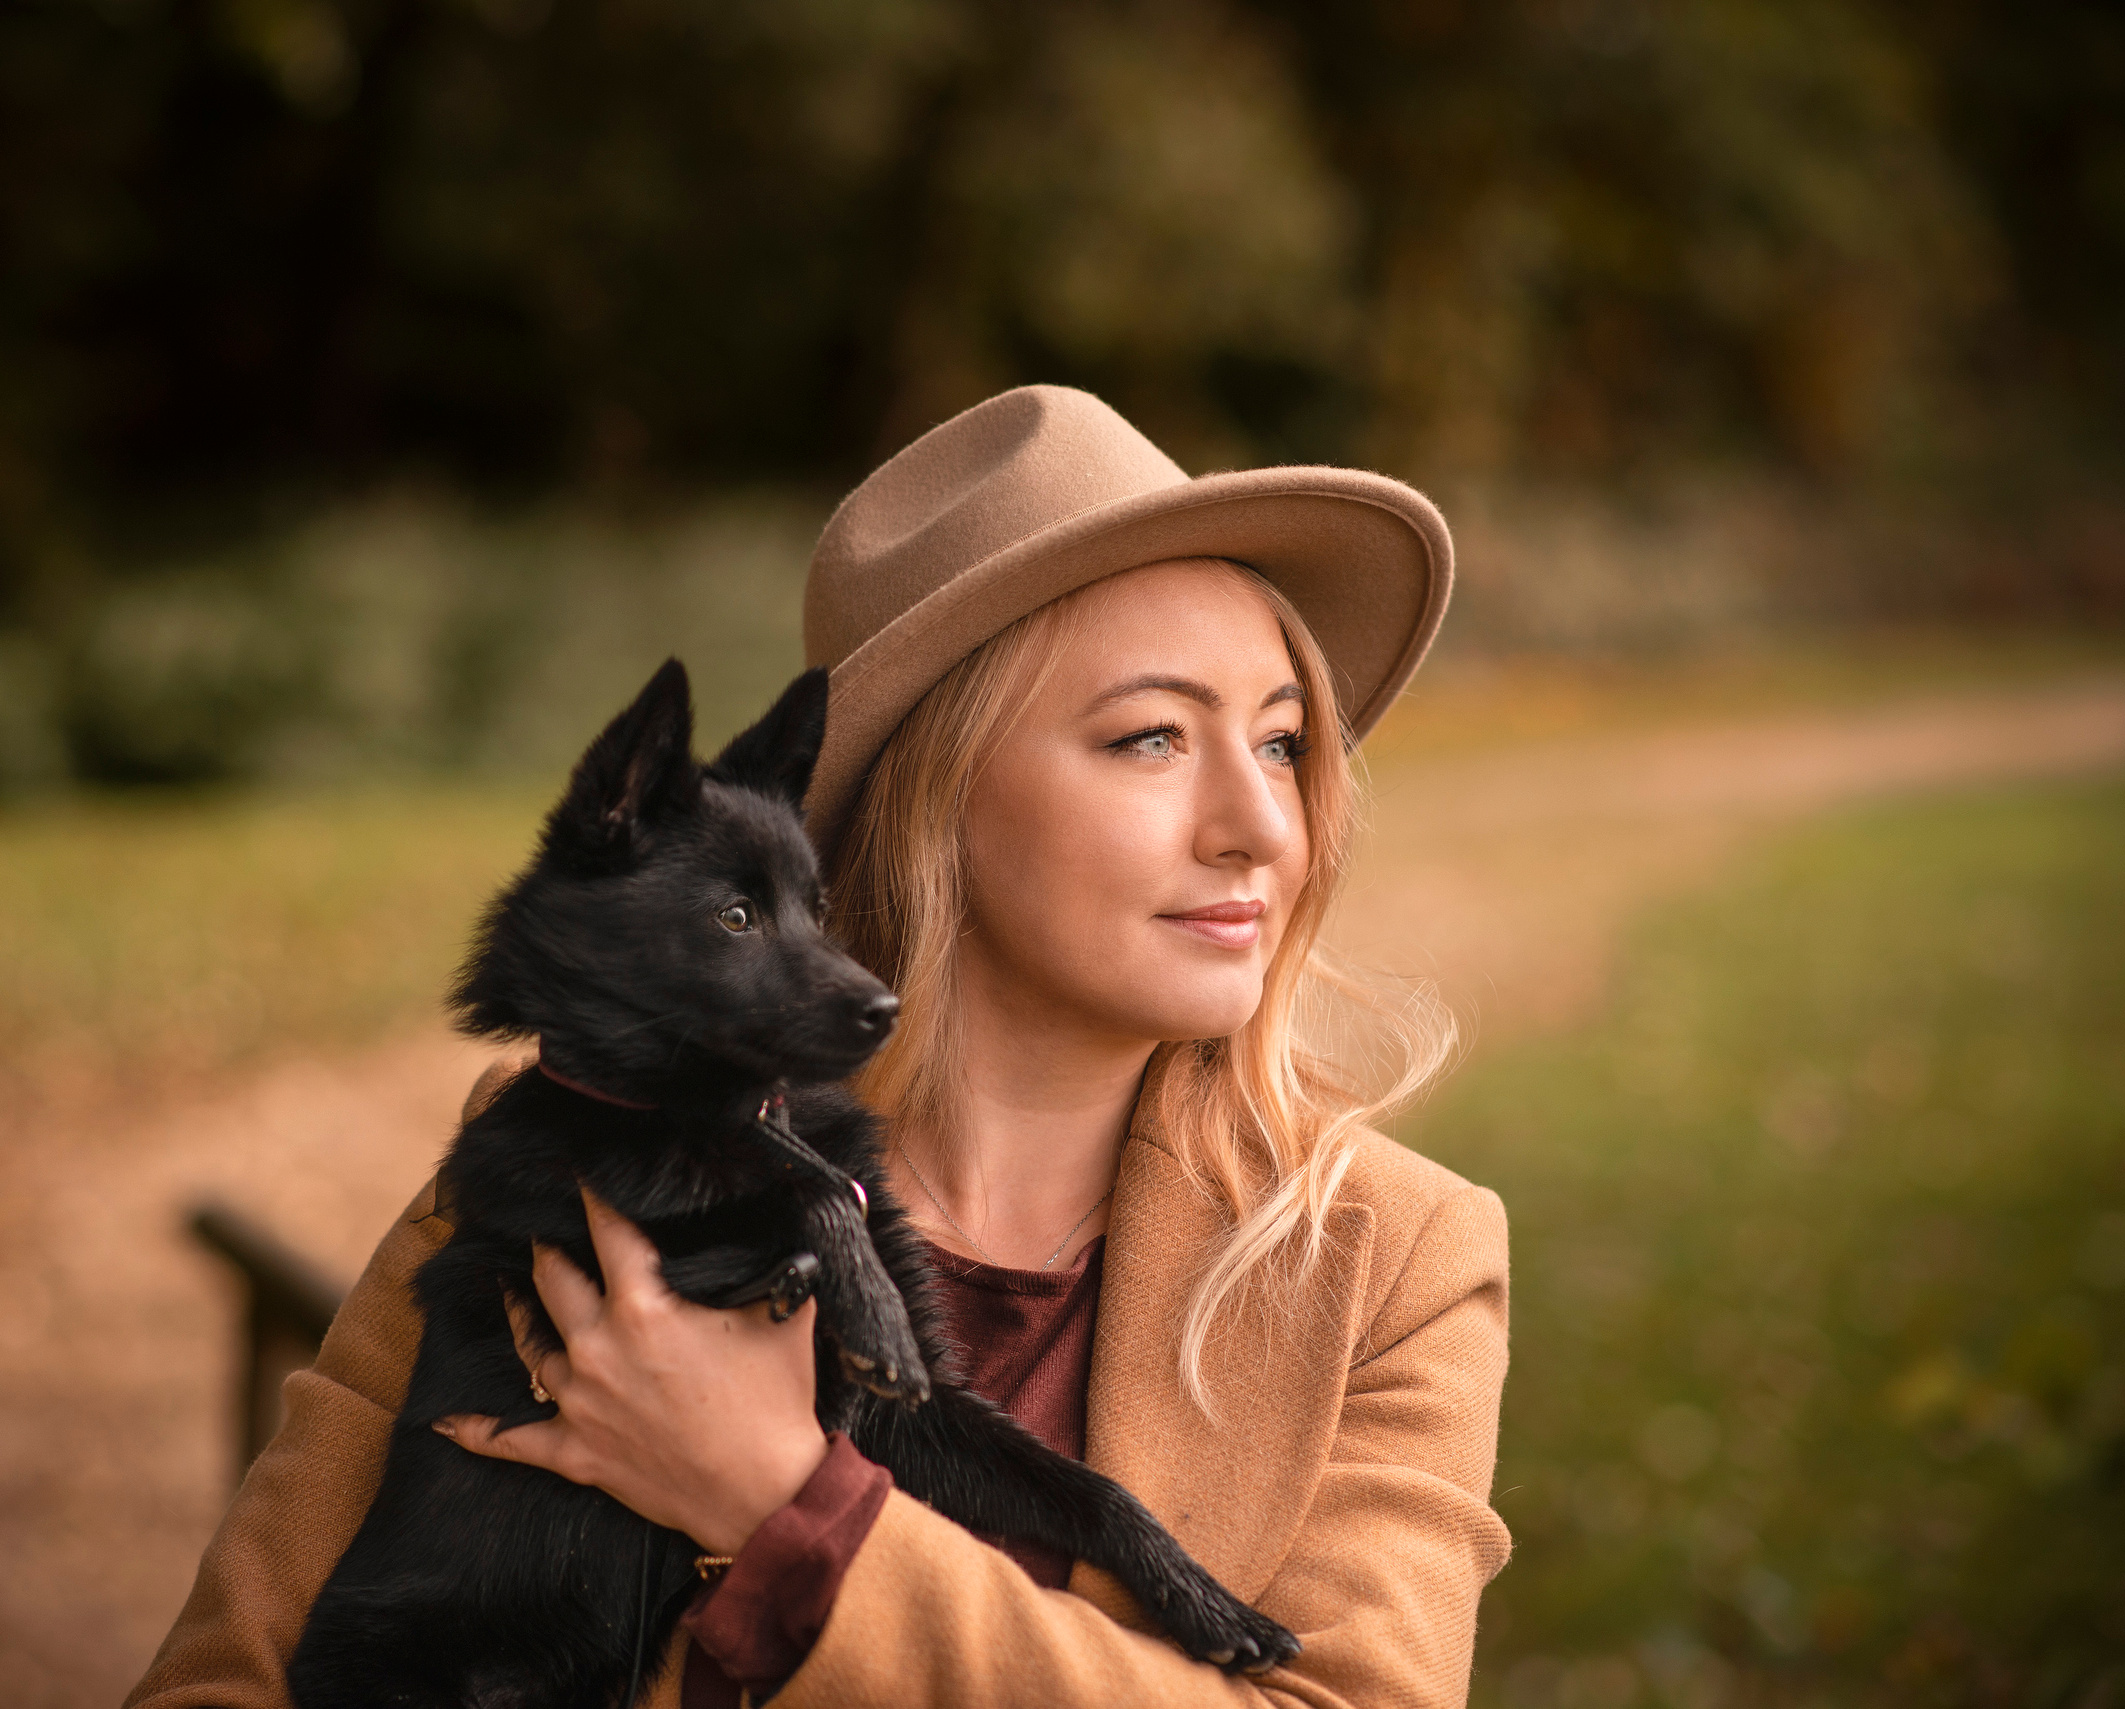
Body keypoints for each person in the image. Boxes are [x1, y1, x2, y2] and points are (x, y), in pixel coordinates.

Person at [127, 385, 1510, 1709]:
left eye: (1282, 745)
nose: (1262, 827)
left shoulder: (1394, 1264)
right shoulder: (572, 1145)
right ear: (933, 789)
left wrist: (791, 1510)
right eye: (1152, 738)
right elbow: (229, 1682)